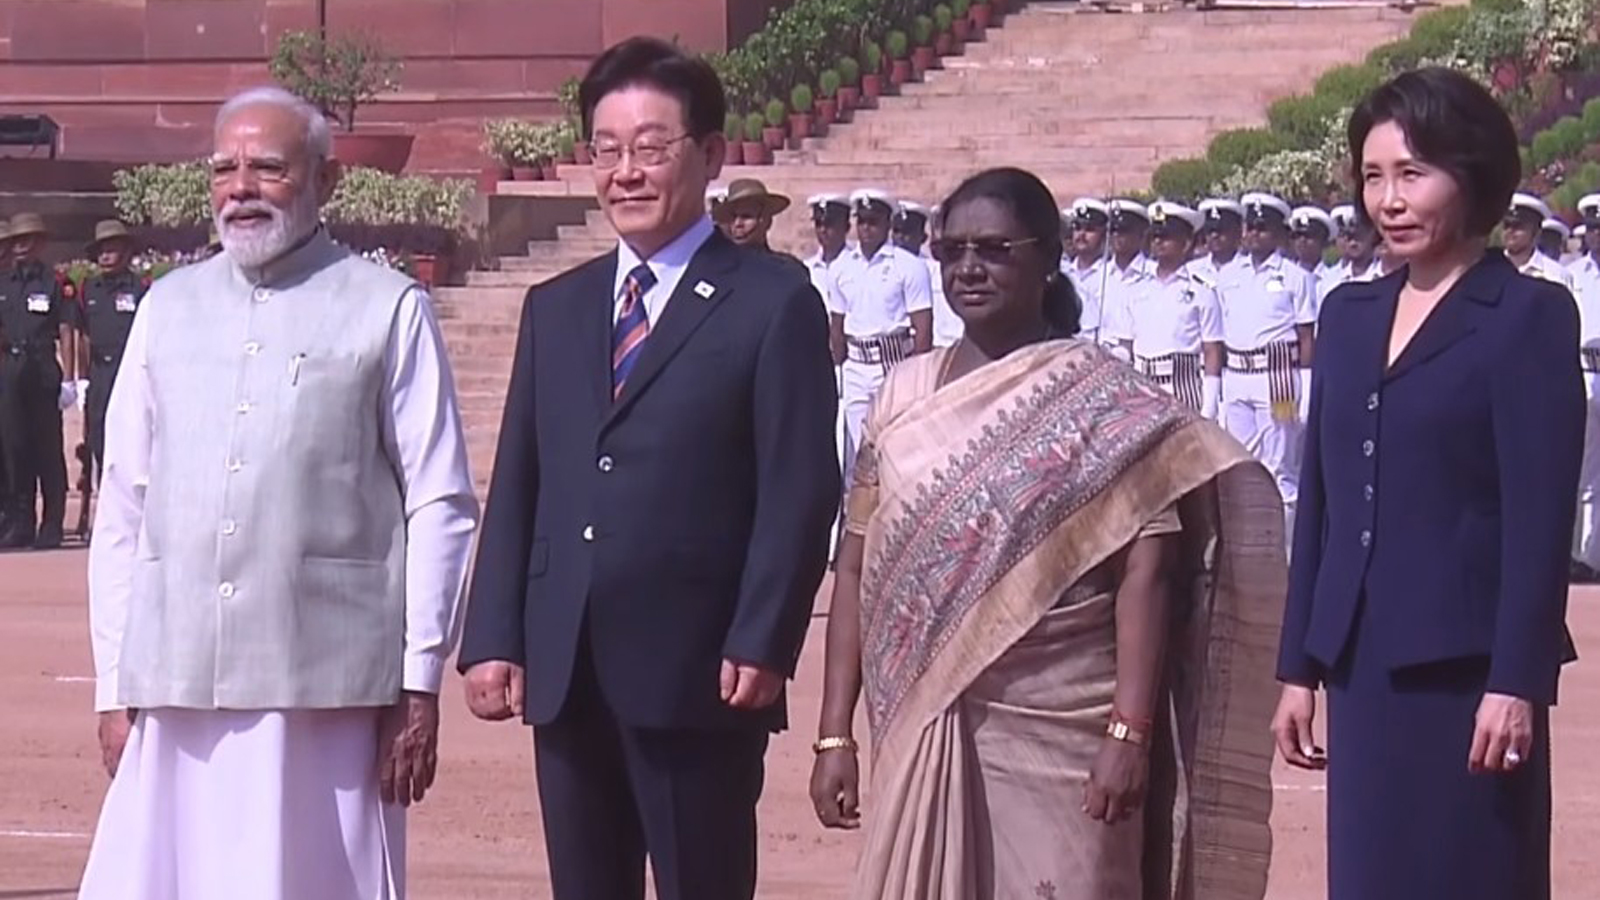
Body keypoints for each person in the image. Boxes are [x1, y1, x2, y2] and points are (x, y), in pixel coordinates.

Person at [809, 166, 1283, 900]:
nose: (970, 267)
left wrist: (1130, 732)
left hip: (1068, 729)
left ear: (1048, 257)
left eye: (995, 249)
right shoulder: (902, 398)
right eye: (954, 250)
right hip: (926, 723)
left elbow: (1146, 573)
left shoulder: (1107, 400)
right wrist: (834, 732)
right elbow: (855, 564)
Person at [456, 38, 839, 900]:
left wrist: (764, 633)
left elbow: (799, 489)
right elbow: (521, 479)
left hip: (701, 669)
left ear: (707, 155)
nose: (626, 172)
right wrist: (494, 636)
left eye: (651, 148)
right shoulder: (555, 308)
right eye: (608, 149)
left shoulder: (771, 301)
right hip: (567, 664)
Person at [78, 86, 480, 900]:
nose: (241, 187)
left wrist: (419, 680)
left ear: (326, 182)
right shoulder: (168, 309)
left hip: (327, 696)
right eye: (224, 167)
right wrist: (114, 685)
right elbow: (123, 505)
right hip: (175, 679)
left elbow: (439, 501)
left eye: (268, 167)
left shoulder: (387, 308)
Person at [1273, 67, 1581, 900]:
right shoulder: (1346, 316)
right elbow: (1323, 504)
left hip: (1467, 673)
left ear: (1470, 174)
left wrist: (1516, 682)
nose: (1390, 201)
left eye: (1413, 175)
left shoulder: (1526, 317)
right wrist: (1299, 663)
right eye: (1374, 177)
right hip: (1362, 665)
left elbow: (1539, 517)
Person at [1222, 192, 1316, 542]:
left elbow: (1306, 336)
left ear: (1278, 233)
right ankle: (1249, 548)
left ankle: (1287, 552)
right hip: (1238, 376)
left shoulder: (1295, 276)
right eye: (1251, 227)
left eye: (1264, 228)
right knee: (1240, 465)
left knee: (1280, 467)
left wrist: (1305, 391)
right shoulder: (1230, 275)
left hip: (1278, 377)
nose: (1255, 234)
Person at [831, 187, 933, 487]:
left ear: (888, 223)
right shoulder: (842, 267)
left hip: (894, 363)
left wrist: (917, 376)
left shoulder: (909, 266)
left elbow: (923, 328)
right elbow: (836, 325)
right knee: (856, 447)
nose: (866, 229)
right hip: (856, 366)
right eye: (861, 221)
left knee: (895, 446)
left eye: (873, 221)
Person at [0, 211, 77, 550]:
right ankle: (23, 523)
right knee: (16, 449)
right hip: (12, 371)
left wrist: (71, 380)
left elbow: (66, 329)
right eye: (15, 241)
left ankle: (52, 524)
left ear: (41, 243)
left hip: (43, 368)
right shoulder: (4, 283)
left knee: (48, 452)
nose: (19, 246)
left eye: (25, 240)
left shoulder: (53, 282)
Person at [73, 220, 147, 536]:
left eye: (112, 248)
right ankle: (102, 515)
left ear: (128, 251)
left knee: (134, 440)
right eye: (101, 250)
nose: (105, 255)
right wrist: (81, 378)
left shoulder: (140, 289)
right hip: (100, 374)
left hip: (129, 370)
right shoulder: (89, 290)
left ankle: (136, 516)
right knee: (98, 443)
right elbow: (82, 336)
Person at [1120, 201, 1224, 417]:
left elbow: (1211, 350)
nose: (1158, 242)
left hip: (1182, 388)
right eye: (1155, 236)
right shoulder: (1136, 289)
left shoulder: (1201, 291)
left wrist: (1210, 404)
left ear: (1185, 243)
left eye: (1166, 236)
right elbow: (1126, 345)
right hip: (1143, 388)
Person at [1568, 194, 1600, 582]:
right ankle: (1586, 556)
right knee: (1584, 476)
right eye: (1591, 229)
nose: (1595, 235)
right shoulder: (1573, 275)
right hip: (1584, 380)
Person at [714, 178, 808, 277]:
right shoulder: (717, 271)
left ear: (766, 221)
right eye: (732, 217)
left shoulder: (788, 270)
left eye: (746, 216)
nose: (738, 224)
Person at [1099, 198, 1153, 359]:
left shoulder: (1152, 275)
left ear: (1141, 234)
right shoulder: (1101, 275)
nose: (1116, 236)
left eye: (1124, 230)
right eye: (1113, 230)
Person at [1502, 192, 1574, 289]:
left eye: (1517, 226)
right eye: (1507, 225)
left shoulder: (1556, 275)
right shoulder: (1489, 269)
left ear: (1536, 232)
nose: (1510, 231)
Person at [1063, 198, 1111, 343]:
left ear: (1104, 235)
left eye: (1090, 229)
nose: (1081, 235)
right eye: (1077, 228)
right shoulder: (1063, 273)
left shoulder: (1111, 275)